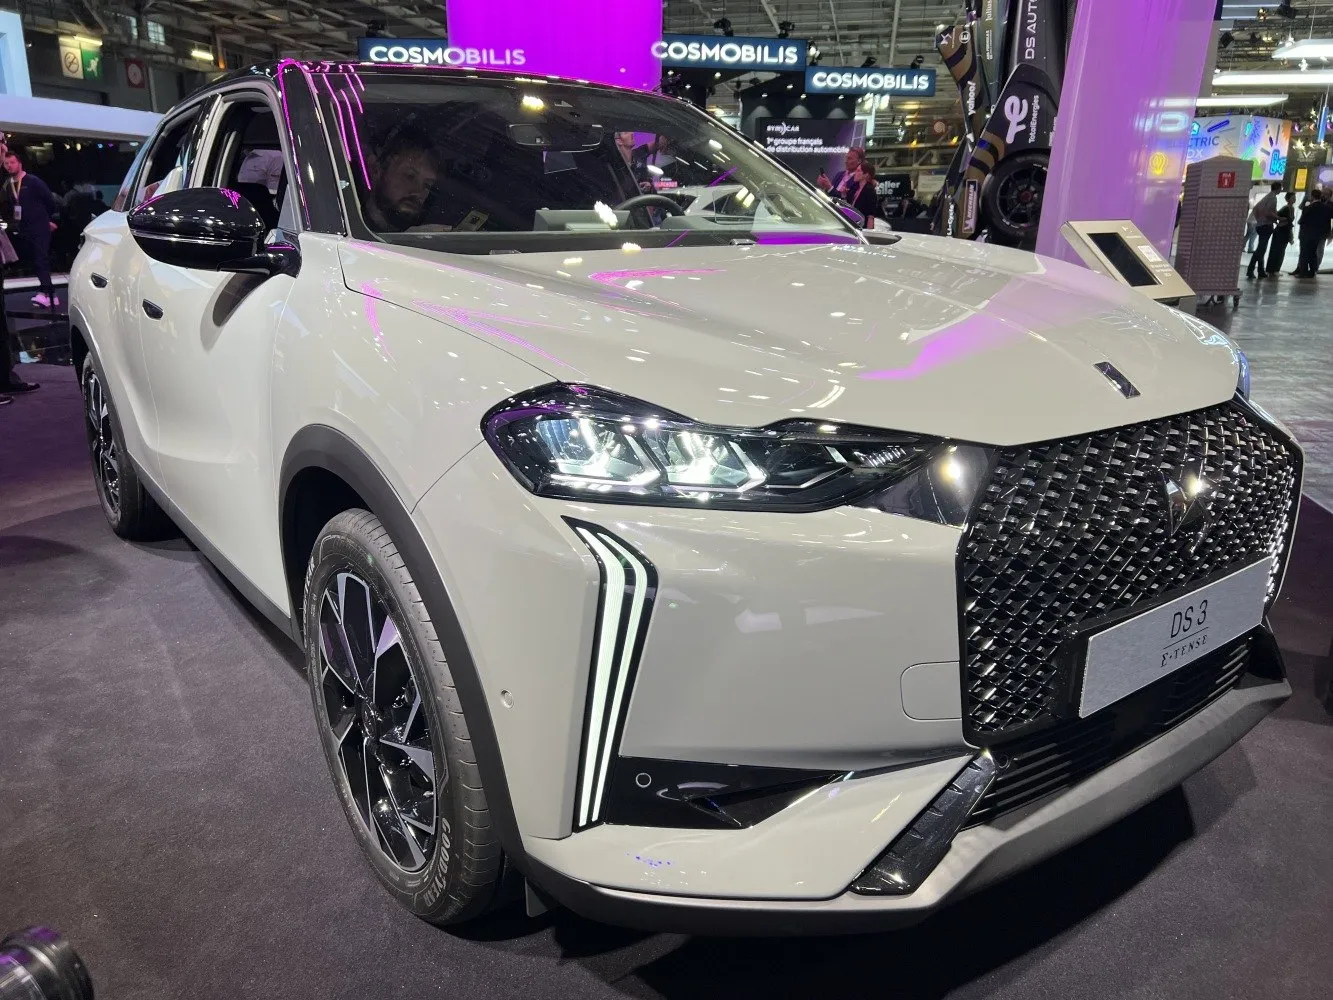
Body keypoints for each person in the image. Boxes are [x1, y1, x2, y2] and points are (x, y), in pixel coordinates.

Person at [1, 148, 60, 309]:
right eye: (6, 163)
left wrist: (49, 220)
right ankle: (46, 292)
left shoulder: (33, 181)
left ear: (19, 163)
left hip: (39, 226)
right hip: (23, 228)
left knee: (41, 259)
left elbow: (50, 201)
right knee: (35, 260)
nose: (9, 166)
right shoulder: (7, 185)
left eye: (12, 162)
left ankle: (49, 294)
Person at [362, 126, 439, 233]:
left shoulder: (424, 236)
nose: (418, 192)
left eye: (427, 185)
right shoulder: (345, 224)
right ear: (376, 169)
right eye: (410, 176)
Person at [1292, 187, 1333, 277]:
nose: (1324, 195)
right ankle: (1302, 268)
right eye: (1323, 193)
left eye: (1326, 194)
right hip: (1314, 231)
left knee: (1316, 251)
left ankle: (1312, 269)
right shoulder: (1313, 204)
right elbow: (1301, 208)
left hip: (1320, 232)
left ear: (1330, 196)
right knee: (1309, 251)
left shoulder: (1330, 205)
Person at [1246, 181, 1282, 279]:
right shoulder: (1273, 198)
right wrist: (1278, 218)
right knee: (1261, 250)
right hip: (1266, 226)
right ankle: (1250, 270)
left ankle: (1261, 271)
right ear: (1278, 188)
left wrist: (1259, 219)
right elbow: (1268, 212)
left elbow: (1256, 209)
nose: (1281, 190)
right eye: (1281, 188)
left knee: (1261, 249)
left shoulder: (1267, 197)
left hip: (1261, 225)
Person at [1266, 190, 1297, 277]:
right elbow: (1277, 216)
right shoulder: (1286, 208)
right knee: (1278, 251)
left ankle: (1273, 269)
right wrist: (1279, 221)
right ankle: (1274, 269)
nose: (1294, 199)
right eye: (1293, 197)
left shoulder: (1291, 208)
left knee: (1279, 251)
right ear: (1288, 199)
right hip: (1281, 231)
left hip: (1284, 231)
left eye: (1295, 197)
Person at [848, 159, 880, 229]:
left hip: (862, 228)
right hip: (852, 225)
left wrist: (869, 233)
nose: (855, 173)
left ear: (866, 174)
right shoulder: (855, 188)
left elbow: (870, 216)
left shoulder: (869, 191)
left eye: (858, 171)